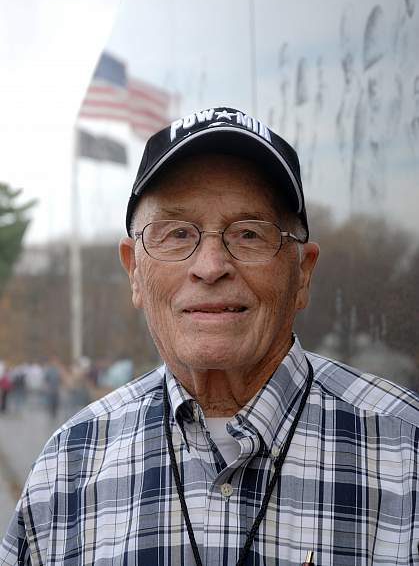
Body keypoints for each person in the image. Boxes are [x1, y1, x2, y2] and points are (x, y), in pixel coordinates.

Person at [1, 106, 418, 566]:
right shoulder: (64, 473)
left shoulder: (407, 454)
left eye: (249, 234)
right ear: (134, 271)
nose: (211, 266)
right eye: (177, 234)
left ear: (302, 273)